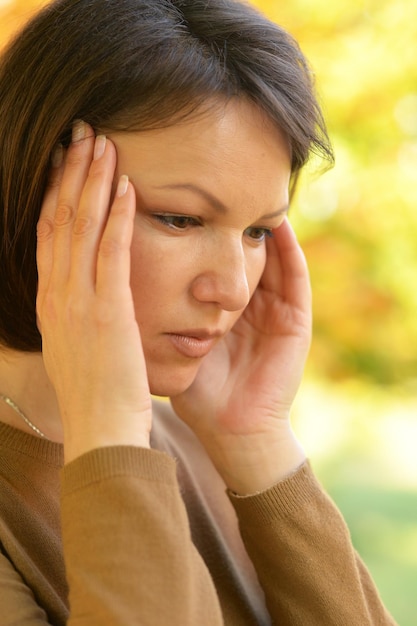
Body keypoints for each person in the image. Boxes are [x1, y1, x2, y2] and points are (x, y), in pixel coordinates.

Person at [0, 0, 396, 624]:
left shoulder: (205, 446)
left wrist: (257, 443)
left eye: (258, 231)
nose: (234, 289)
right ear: (39, 197)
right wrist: (108, 436)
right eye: (181, 219)